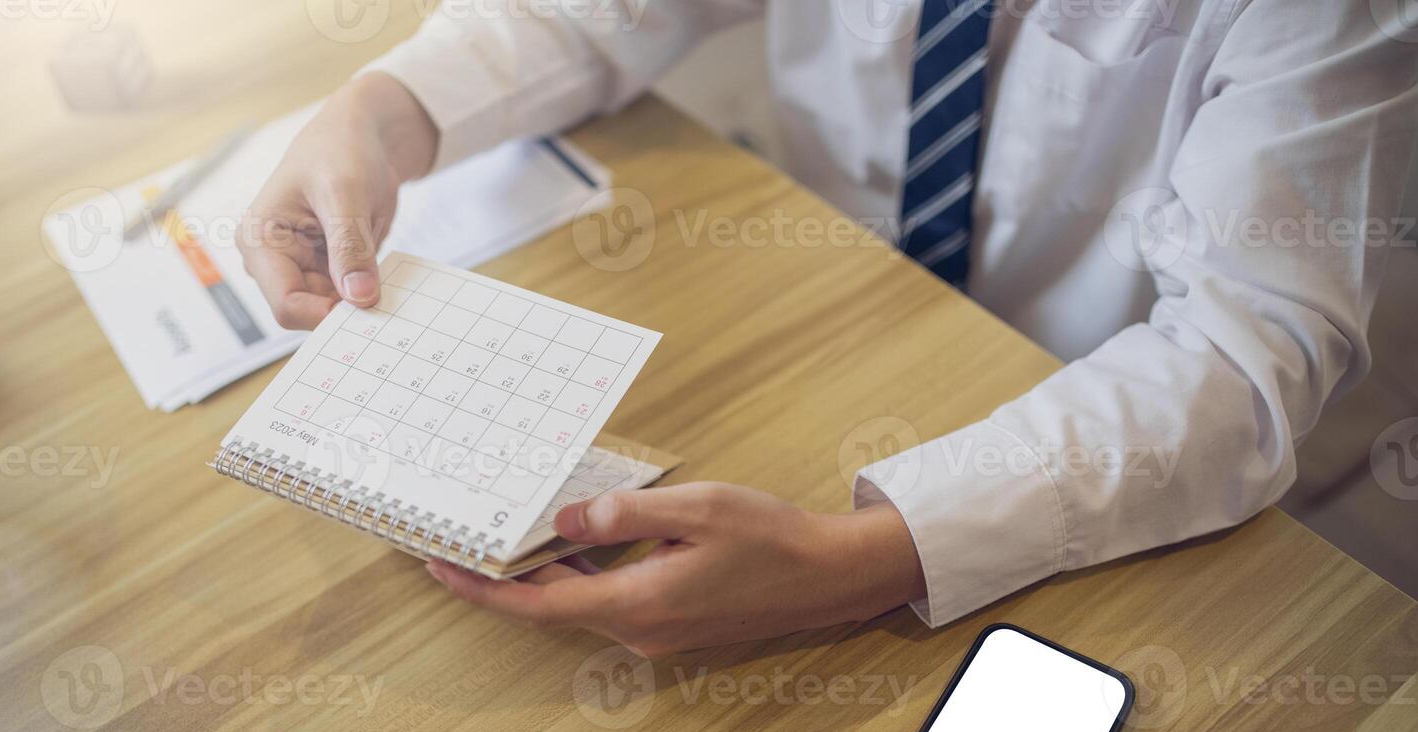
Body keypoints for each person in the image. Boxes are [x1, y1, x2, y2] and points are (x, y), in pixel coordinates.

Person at [239, 1, 1417, 656]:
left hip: (1082, 425)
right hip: (822, 296)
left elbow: (1239, 355)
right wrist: (384, 111)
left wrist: (863, 562)